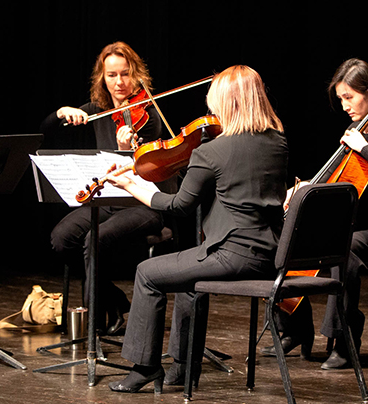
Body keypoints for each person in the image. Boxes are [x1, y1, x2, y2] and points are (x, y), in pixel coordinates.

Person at [105, 65, 288, 393]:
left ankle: (144, 366)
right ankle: (184, 365)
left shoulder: (212, 150)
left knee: (148, 272)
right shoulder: (276, 142)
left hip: (233, 254)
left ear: (226, 103)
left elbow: (178, 206)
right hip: (271, 254)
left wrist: (133, 185)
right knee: (187, 276)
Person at [261, 58, 368, 370]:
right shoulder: (354, 130)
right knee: (285, 238)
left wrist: (363, 147)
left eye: (350, 97)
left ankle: (345, 341)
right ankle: (295, 327)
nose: (344, 105)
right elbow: (339, 180)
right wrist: (305, 188)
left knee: (346, 251)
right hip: (359, 225)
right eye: (341, 98)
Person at [40, 41, 167, 335]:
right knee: (61, 239)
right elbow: (45, 129)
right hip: (107, 199)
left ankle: (94, 326)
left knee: (93, 241)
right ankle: (114, 300)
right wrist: (61, 112)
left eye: (125, 74)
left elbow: (143, 168)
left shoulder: (148, 115)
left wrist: (126, 149)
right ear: (102, 78)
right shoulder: (98, 108)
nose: (119, 82)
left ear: (137, 75)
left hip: (143, 203)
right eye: (112, 75)